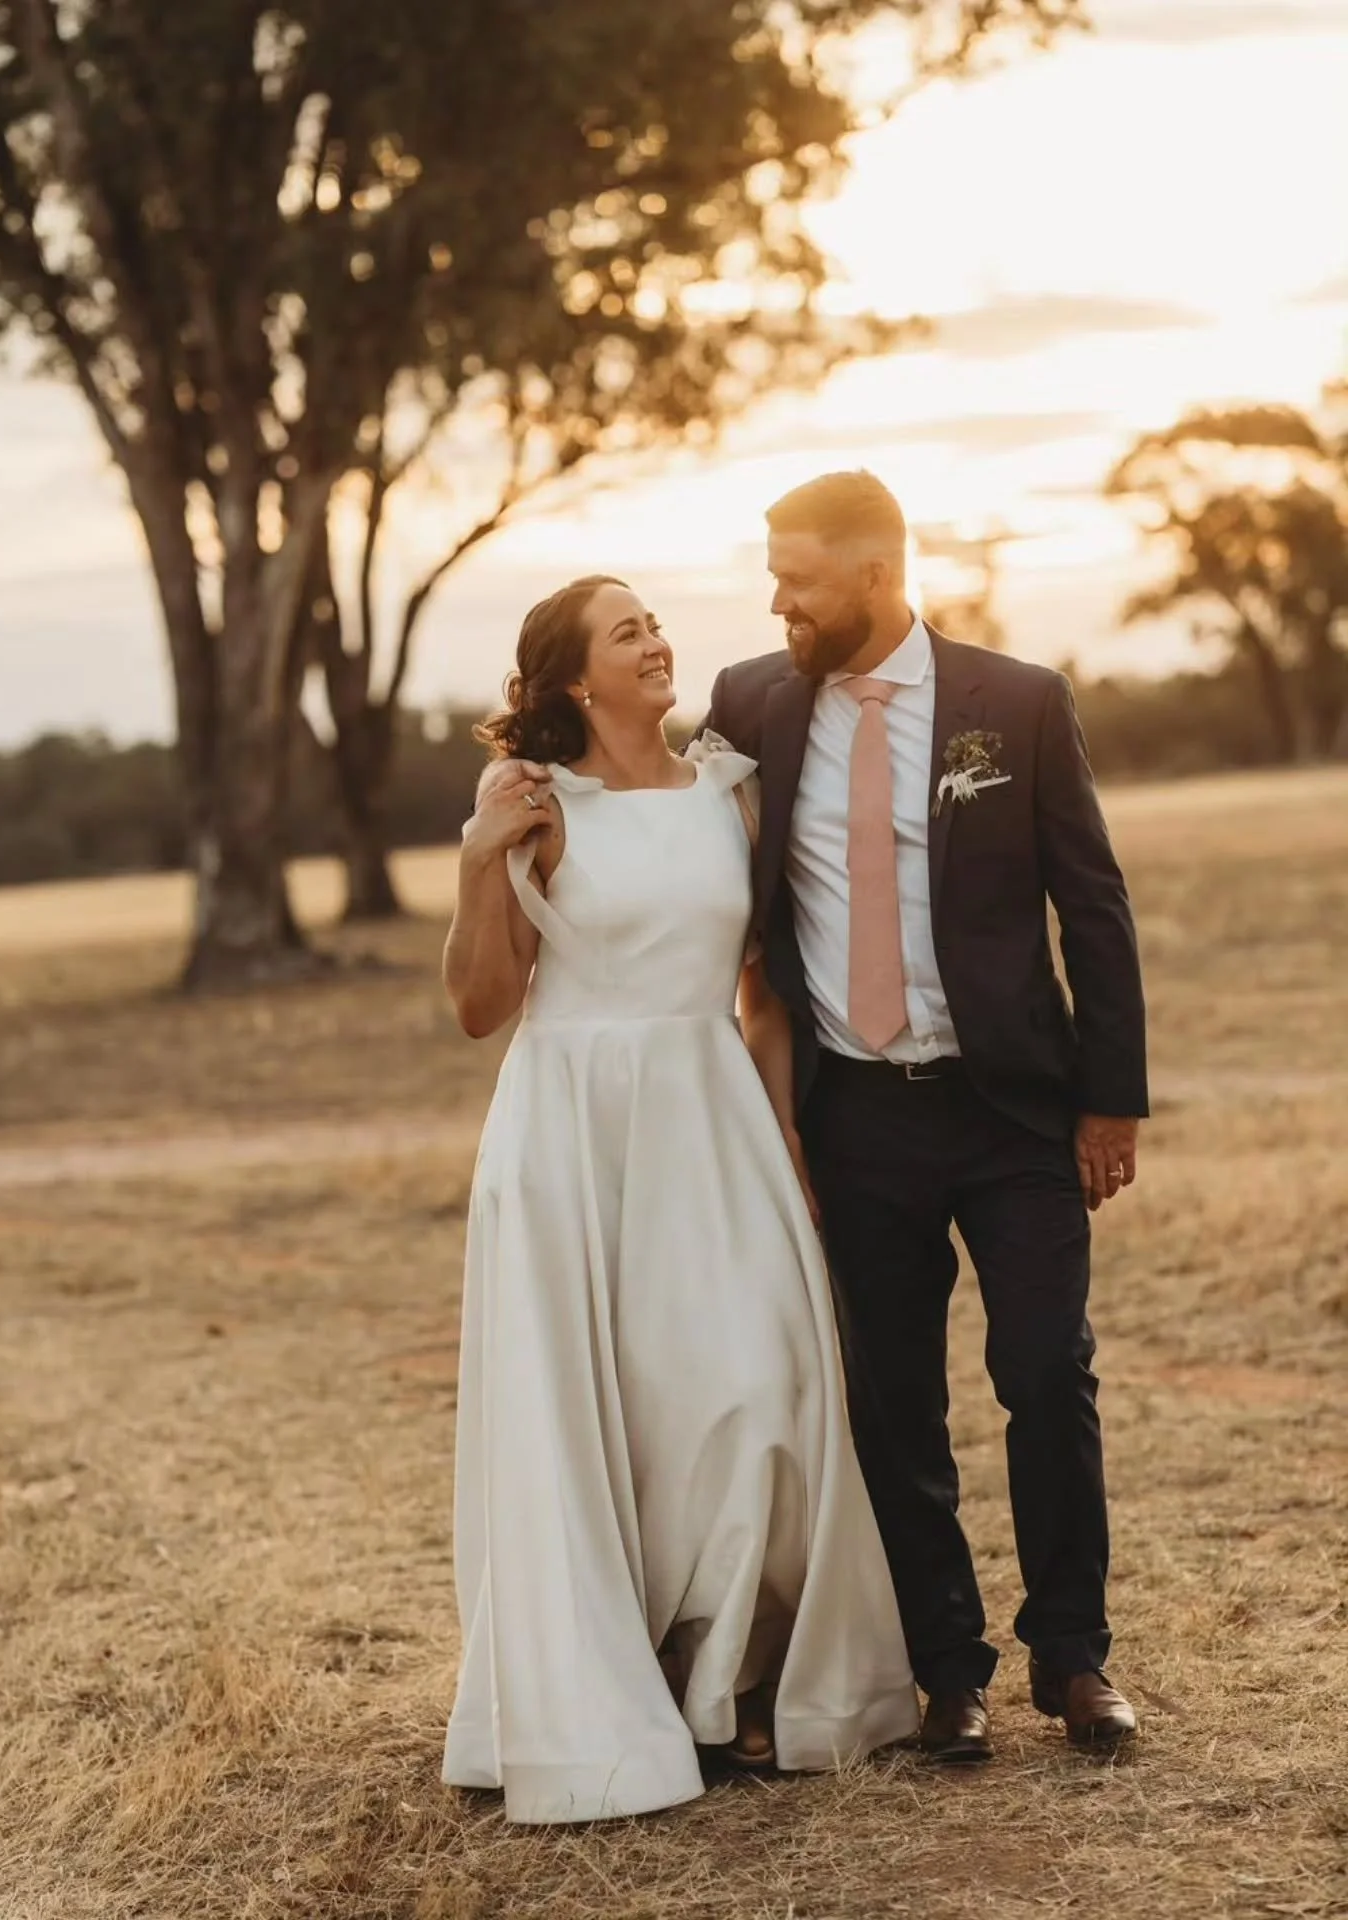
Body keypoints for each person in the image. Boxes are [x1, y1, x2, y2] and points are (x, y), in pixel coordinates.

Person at [441, 573, 918, 1825]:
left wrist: (788, 1149)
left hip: (713, 1114)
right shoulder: (540, 807)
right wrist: (475, 865)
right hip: (571, 1123)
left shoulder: (731, 788)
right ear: (571, 683)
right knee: (615, 1411)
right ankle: (648, 1681)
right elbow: (482, 1006)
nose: (655, 642)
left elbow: (761, 995)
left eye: (654, 622)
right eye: (624, 633)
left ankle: (743, 1675)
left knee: (762, 1384)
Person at [695, 470, 1149, 1759]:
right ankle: (947, 1669)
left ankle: (1074, 1660)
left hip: (1012, 1112)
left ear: (877, 577)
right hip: (857, 1117)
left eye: (799, 578)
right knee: (892, 1400)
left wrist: (1111, 1099)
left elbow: (1094, 906)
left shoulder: (1017, 702)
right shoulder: (750, 705)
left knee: (1045, 1371)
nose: (776, 600)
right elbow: (668, 821)